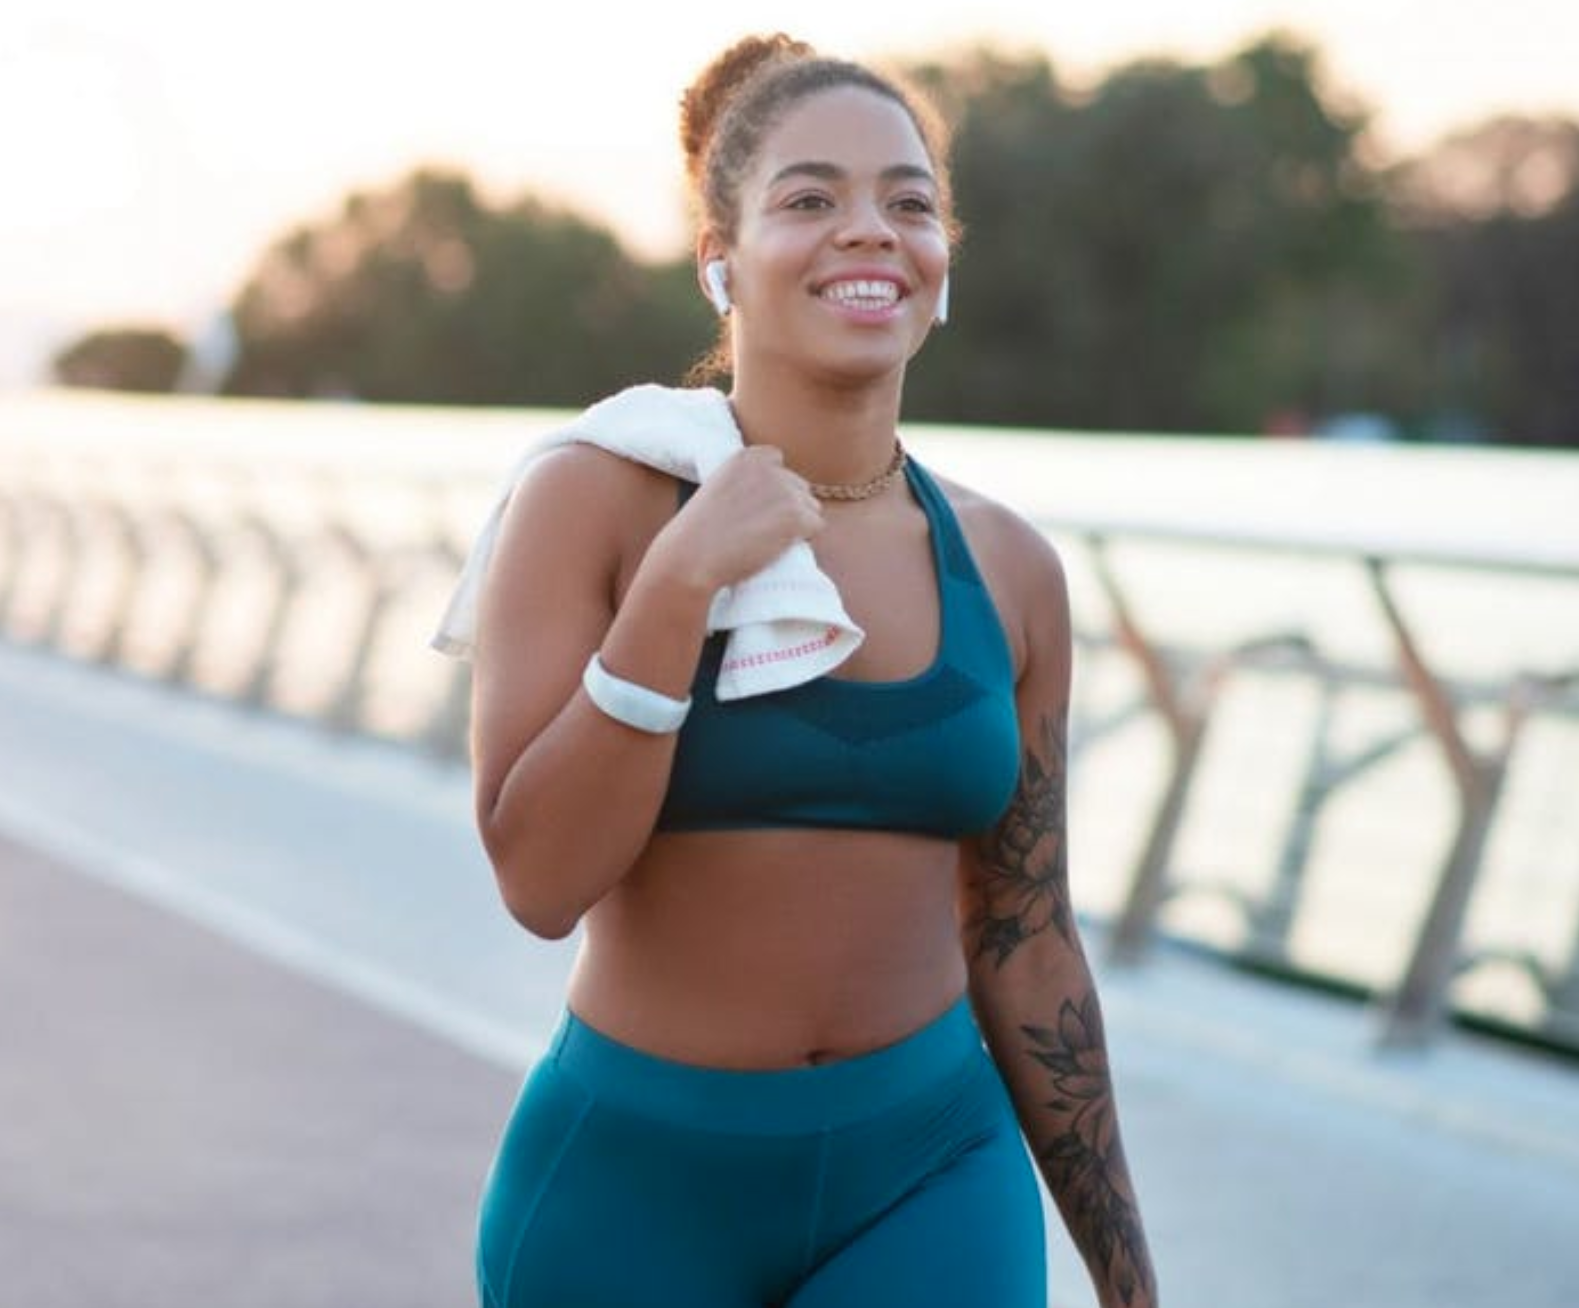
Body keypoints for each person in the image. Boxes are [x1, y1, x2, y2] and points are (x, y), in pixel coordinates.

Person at [450, 33, 1158, 1308]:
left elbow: (1028, 936)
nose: (868, 231)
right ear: (718, 258)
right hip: (637, 1191)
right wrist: (675, 588)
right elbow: (537, 880)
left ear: (943, 264)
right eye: (808, 198)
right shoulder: (593, 501)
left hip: (931, 1172)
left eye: (908, 202)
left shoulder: (1007, 570)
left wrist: (1126, 1273)